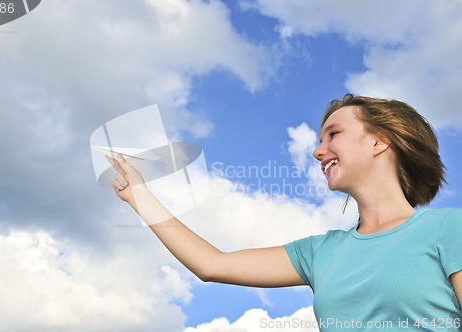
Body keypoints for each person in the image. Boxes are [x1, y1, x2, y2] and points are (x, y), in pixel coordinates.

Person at [106, 94, 462, 331]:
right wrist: (139, 195)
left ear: (380, 141)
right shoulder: (320, 252)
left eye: (333, 134)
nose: (318, 151)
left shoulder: (449, 228)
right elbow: (211, 264)